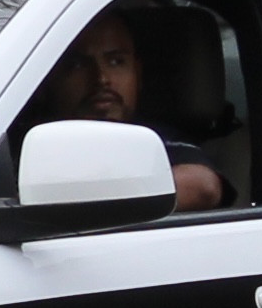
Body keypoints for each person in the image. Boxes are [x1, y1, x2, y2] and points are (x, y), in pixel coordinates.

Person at [38, 11, 229, 213]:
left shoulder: (155, 141)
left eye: (116, 62)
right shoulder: (14, 145)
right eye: (77, 65)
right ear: (46, 81)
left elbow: (203, 187)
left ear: (138, 73)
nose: (101, 78)